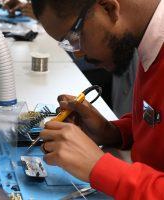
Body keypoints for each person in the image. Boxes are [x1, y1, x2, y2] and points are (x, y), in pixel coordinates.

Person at [28, 0, 164, 199]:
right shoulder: (151, 42)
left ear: (108, 8)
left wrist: (99, 168)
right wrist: (113, 132)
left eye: (74, 38)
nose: (79, 53)